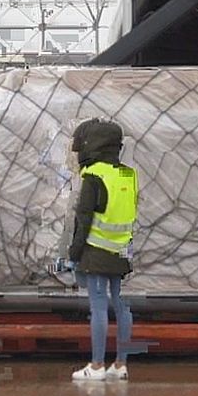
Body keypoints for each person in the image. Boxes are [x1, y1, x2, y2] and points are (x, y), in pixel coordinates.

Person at [64, 118, 137, 382]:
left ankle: (95, 366)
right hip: (122, 250)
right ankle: (120, 365)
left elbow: (82, 220)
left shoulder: (94, 176)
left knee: (98, 307)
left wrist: (73, 254)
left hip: (96, 251)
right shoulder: (128, 175)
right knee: (121, 306)